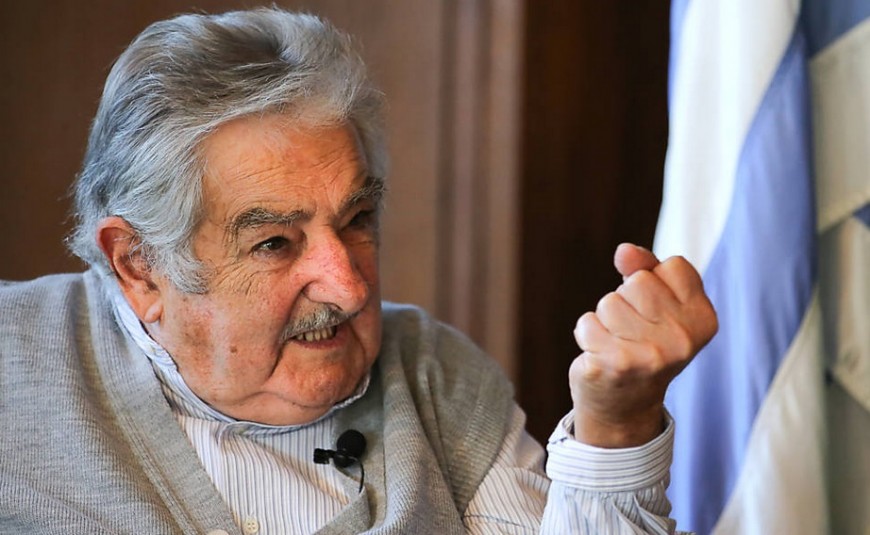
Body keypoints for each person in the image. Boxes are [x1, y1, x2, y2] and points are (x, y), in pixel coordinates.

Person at [0, 8, 717, 534]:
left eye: (356, 220)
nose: (347, 287)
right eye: (275, 243)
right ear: (140, 266)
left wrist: (615, 425)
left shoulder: (432, 375)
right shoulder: (14, 368)